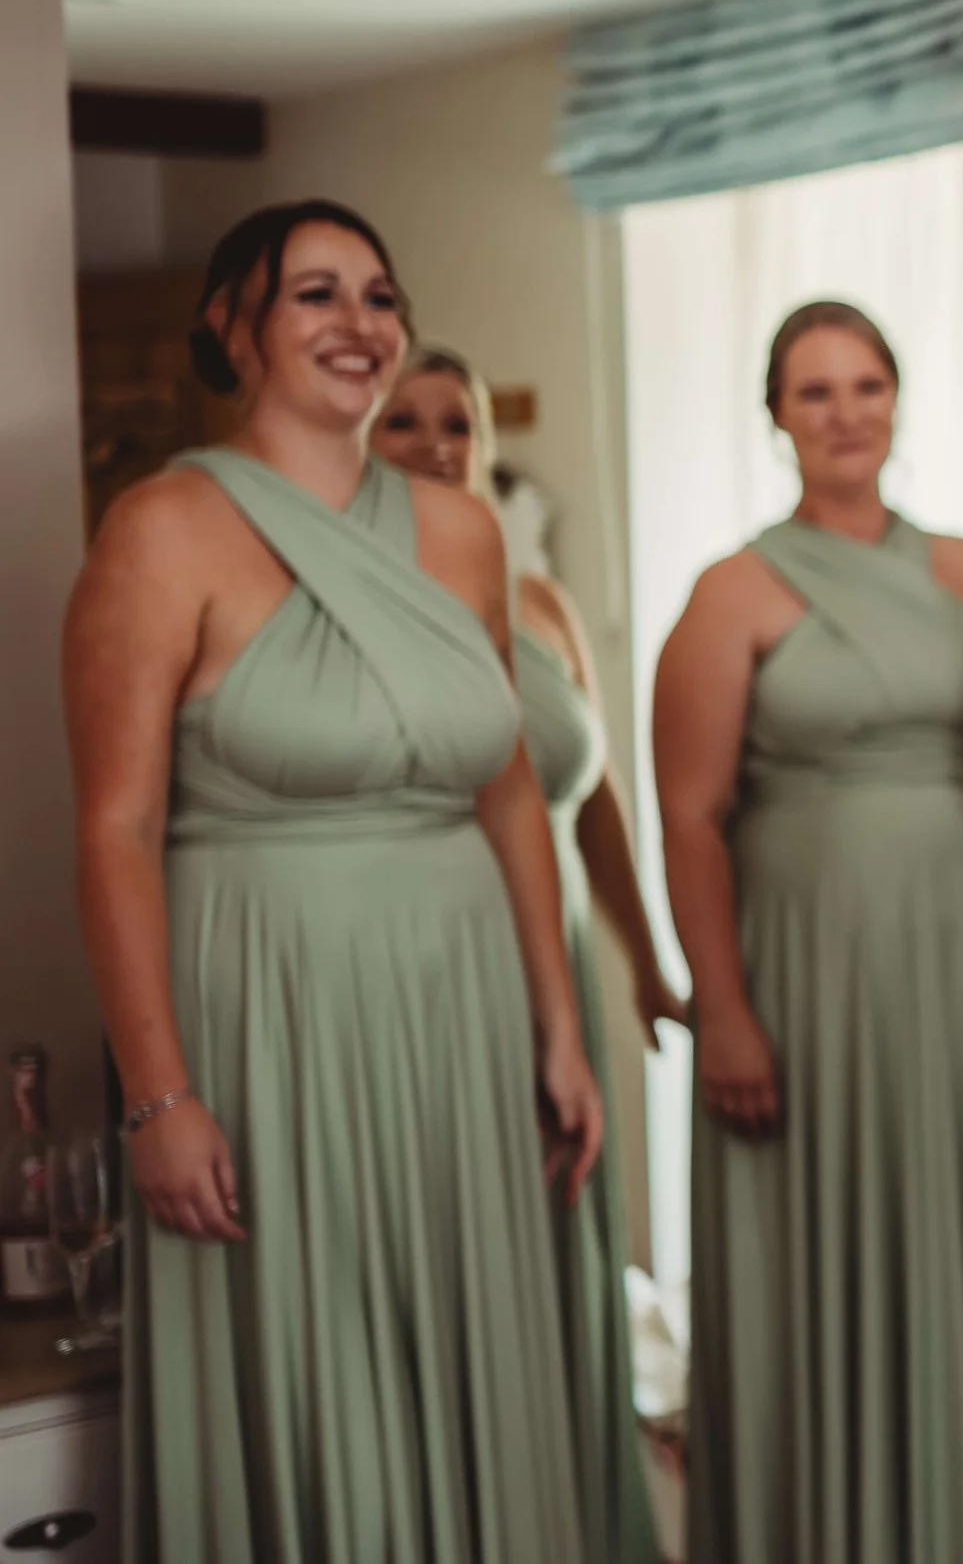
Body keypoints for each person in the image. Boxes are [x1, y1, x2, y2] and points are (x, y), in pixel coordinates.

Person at [65, 200, 599, 1561]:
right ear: (231, 328)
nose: (358, 324)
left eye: (378, 295)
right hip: (271, 1005)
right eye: (315, 293)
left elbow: (506, 785)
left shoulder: (460, 532)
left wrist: (557, 1021)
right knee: (317, 1358)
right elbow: (115, 826)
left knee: (466, 1348)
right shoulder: (161, 527)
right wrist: (158, 1096)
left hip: (458, 1001)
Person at [653, 301, 963, 1564]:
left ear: (897, 398)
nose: (846, 413)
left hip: (956, 963)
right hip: (804, 974)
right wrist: (723, 1007)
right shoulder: (733, 591)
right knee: (816, 1251)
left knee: (962, 1232)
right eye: (815, 391)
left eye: (866, 385)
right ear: (776, 417)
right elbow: (688, 817)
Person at [371, 345, 677, 1563]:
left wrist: (646, 962)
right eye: (403, 421)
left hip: (558, 976)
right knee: (460, 1265)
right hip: (436, 967)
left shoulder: (538, 602)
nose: (435, 443)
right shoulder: (353, 597)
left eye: (457, 422)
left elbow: (594, 808)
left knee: (564, 1257)